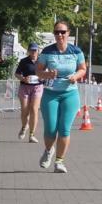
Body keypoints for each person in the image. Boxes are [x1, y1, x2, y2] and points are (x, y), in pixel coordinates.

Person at [36, 21, 86, 173]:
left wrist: (75, 76)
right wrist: (47, 74)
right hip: (51, 94)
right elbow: (38, 72)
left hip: (70, 94)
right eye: (57, 32)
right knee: (51, 129)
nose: (60, 35)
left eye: (63, 32)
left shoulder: (76, 51)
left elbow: (83, 69)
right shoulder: (47, 51)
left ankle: (59, 162)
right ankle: (48, 150)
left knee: (64, 129)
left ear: (68, 33)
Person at [16, 43, 42, 143]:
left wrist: (42, 76)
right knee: (24, 110)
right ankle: (24, 127)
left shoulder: (42, 61)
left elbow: (46, 73)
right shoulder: (24, 61)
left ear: (38, 51)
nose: (33, 52)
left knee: (34, 110)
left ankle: (32, 135)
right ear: (28, 51)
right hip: (25, 87)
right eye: (31, 50)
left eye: (35, 50)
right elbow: (17, 74)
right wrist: (23, 78)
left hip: (37, 87)